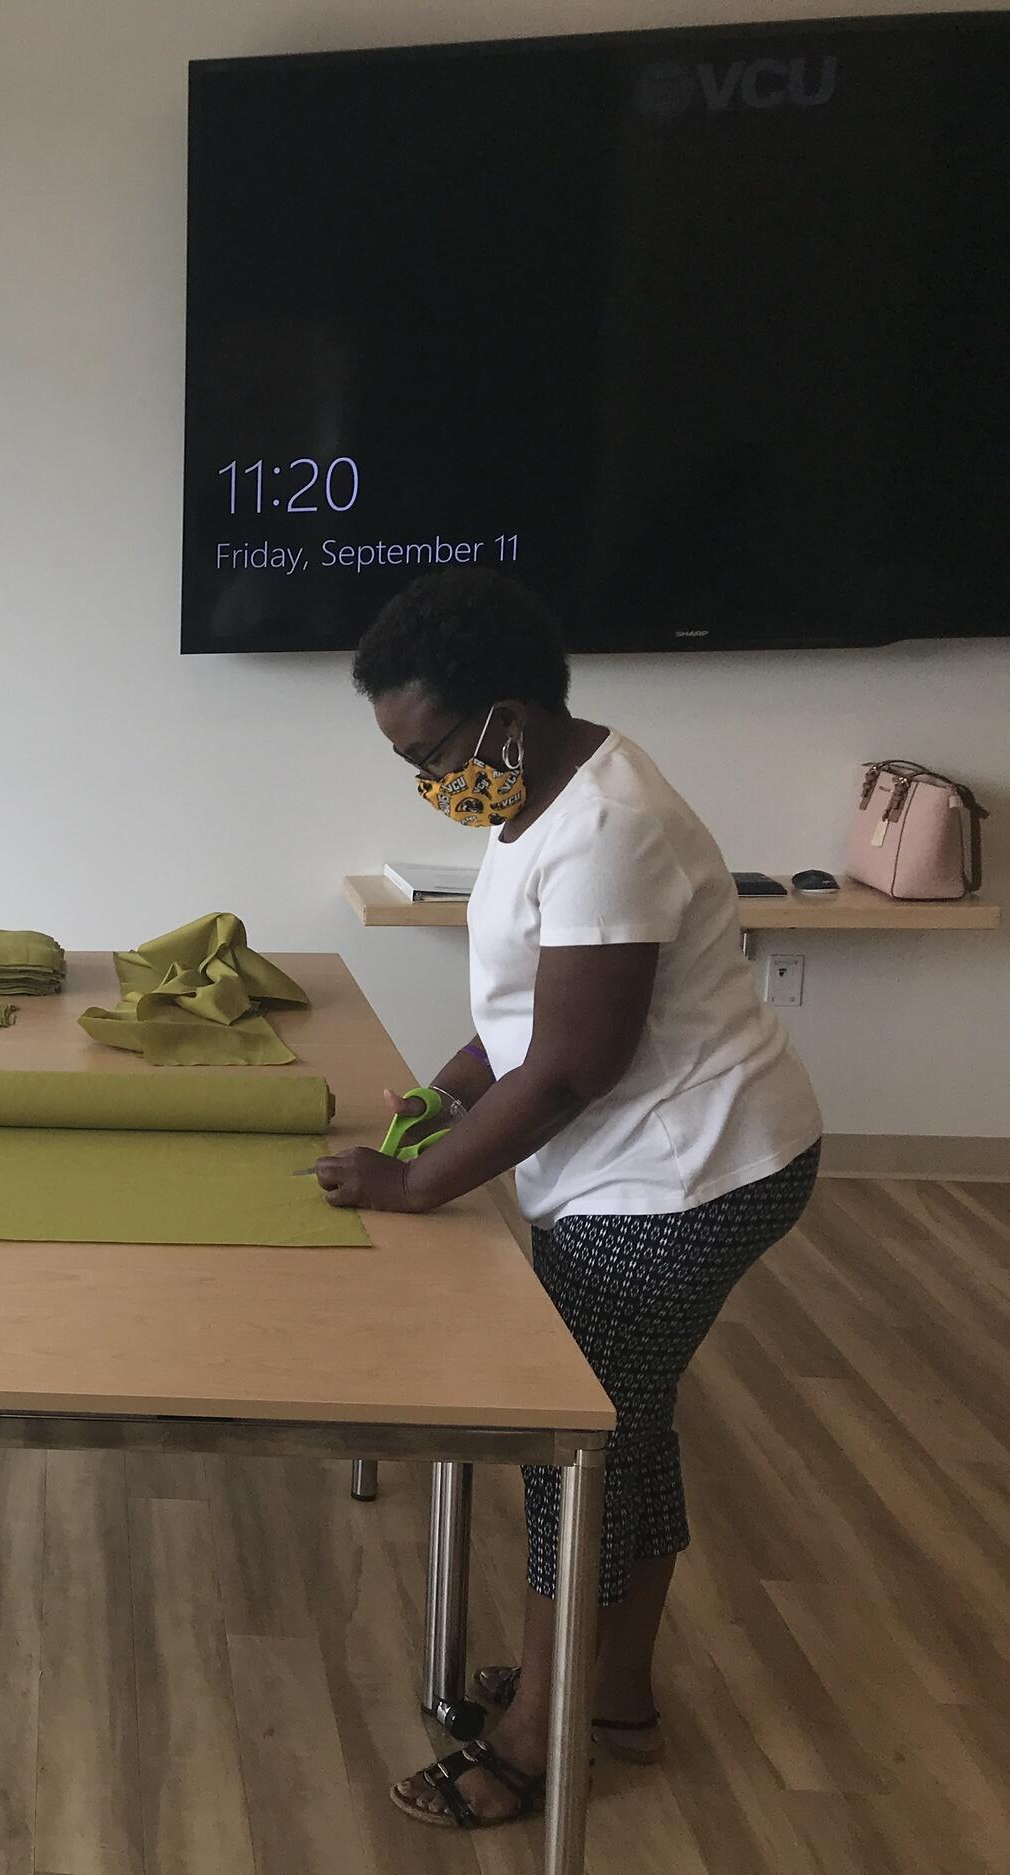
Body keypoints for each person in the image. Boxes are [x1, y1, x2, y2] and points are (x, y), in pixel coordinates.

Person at [314, 568, 822, 1832]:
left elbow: (575, 1064)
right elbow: (524, 1019)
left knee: (567, 1451)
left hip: (683, 1175)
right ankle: (615, 1696)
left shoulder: (608, 824)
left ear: (506, 717)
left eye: (431, 750)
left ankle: (542, 1741)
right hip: (656, 1160)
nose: (427, 779)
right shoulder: (539, 801)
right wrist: (438, 1093)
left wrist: (418, 1183)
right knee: (624, 1429)